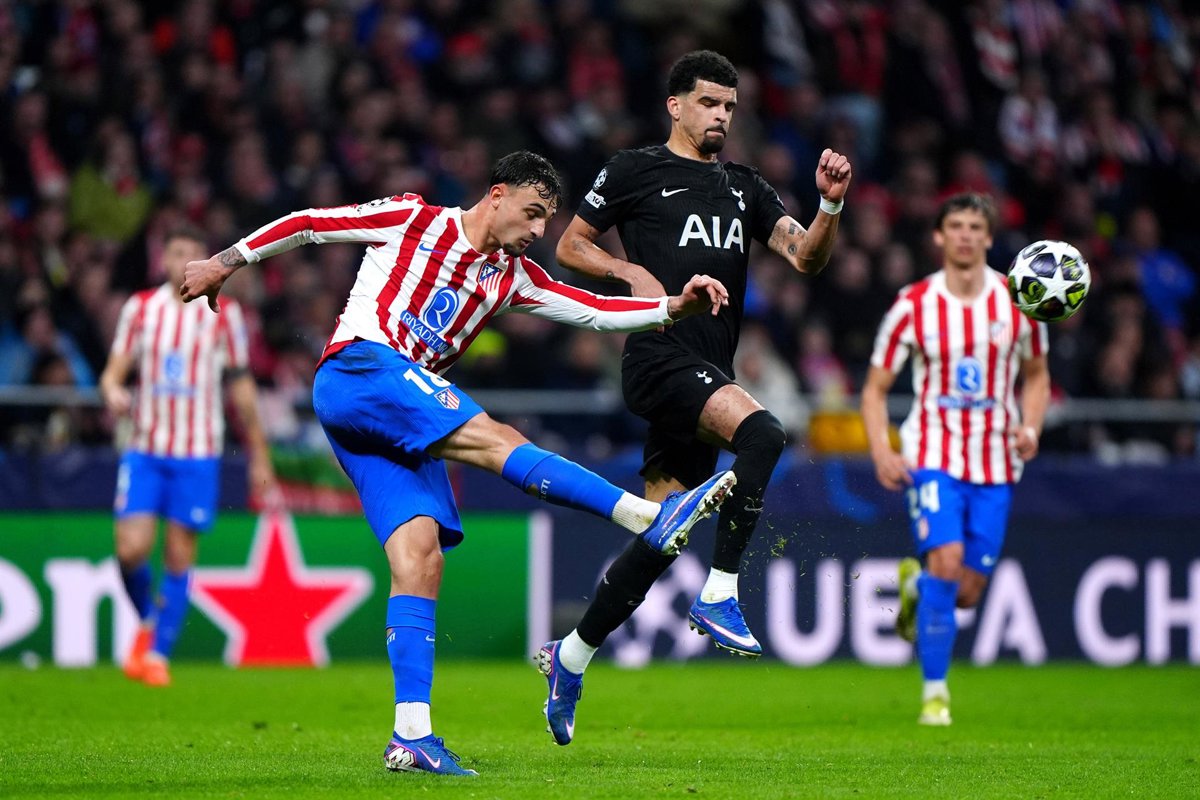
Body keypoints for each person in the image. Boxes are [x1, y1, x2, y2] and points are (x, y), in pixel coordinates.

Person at [179, 151, 737, 777]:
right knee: (495, 437)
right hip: (361, 369)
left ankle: (410, 735)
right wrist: (224, 261)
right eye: (531, 213)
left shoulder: (513, 277)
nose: (537, 231)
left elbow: (590, 309)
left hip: (395, 419)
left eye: (546, 221)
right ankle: (645, 517)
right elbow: (310, 223)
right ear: (496, 195)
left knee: (420, 559)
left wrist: (673, 308)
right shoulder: (411, 218)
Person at [538, 49, 851, 746]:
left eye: (730, 107)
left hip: (708, 369)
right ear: (675, 106)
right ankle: (720, 594)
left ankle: (571, 657)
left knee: (661, 536)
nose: (721, 117)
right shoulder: (634, 170)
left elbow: (807, 256)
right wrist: (629, 273)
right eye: (709, 103)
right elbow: (571, 247)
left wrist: (829, 204)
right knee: (765, 434)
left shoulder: (744, 187)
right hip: (658, 356)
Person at [859, 193, 1050, 726]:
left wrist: (1031, 426)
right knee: (945, 561)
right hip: (933, 453)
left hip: (996, 461)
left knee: (964, 593)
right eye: (956, 226)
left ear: (989, 237)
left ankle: (916, 590)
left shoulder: (1021, 300)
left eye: (974, 226)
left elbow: (1037, 377)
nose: (965, 235)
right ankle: (935, 694)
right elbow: (874, 388)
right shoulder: (913, 304)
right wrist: (882, 449)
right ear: (939, 237)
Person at [100, 225, 277, 688]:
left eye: (195, 253)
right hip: (145, 448)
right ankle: (147, 620)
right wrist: (113, 390)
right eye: (178, 252)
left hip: (198, 453)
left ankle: (158, 654)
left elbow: (241, 386)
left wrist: (259, 454)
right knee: (130, 549)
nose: (186, 261)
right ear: (163, 259)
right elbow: (113, 372)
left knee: (179, 555)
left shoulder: (225, 315)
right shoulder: (141, 309)